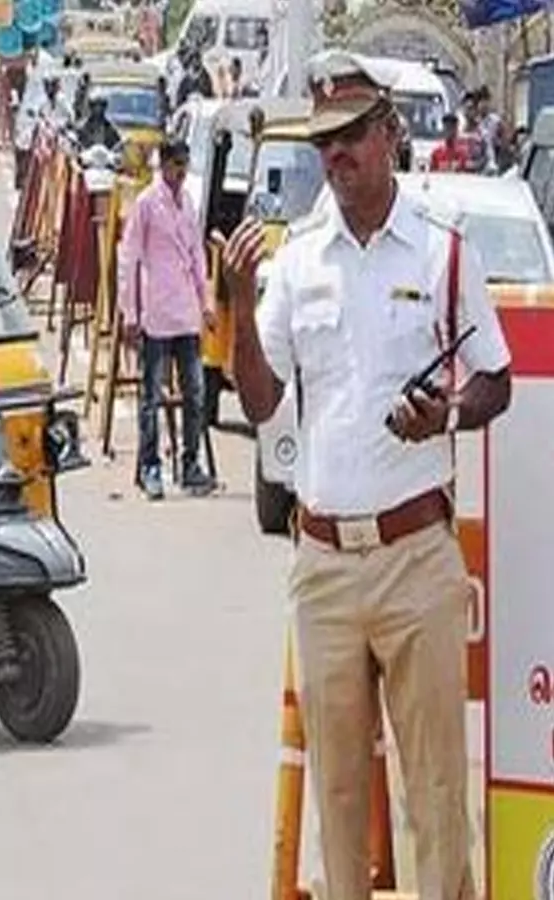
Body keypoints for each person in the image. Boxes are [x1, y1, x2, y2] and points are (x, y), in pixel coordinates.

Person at [221, 51, 512, 900]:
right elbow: (264, 399)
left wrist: (448, 414)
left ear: (390, 136)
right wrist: (240, 308)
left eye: (351, 135)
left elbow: (494, 377)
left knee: (435, 797)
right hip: (323, 565)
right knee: (338, 800)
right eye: (325, 142)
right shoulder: (299, 261)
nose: (337, 155)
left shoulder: (442, 256)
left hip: (417, 555)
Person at [116, 138, 215, 500]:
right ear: (163, 165)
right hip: (155, 314)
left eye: (185, 167)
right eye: (176, 166)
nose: (181, 174)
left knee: (195, 392)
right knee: (151, 396)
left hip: (185, 313)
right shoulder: (146, 205)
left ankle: (190, 464)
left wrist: (206, 304)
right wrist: (130, 312)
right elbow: (129, 259)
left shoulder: (187, 202)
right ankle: (150, 466)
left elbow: (197, 254)